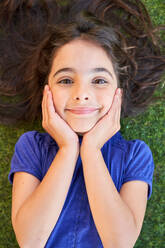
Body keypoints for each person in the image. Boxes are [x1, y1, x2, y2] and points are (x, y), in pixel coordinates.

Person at [0, 0, 164, 247]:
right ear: (48, 90)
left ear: (118, 92)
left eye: (99, 80)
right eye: (66, 80)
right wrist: (67, 149)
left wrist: (91, 151)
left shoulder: (135, 154)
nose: (82, 93)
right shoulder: (32, 146)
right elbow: (30, 241)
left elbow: (120, 243)